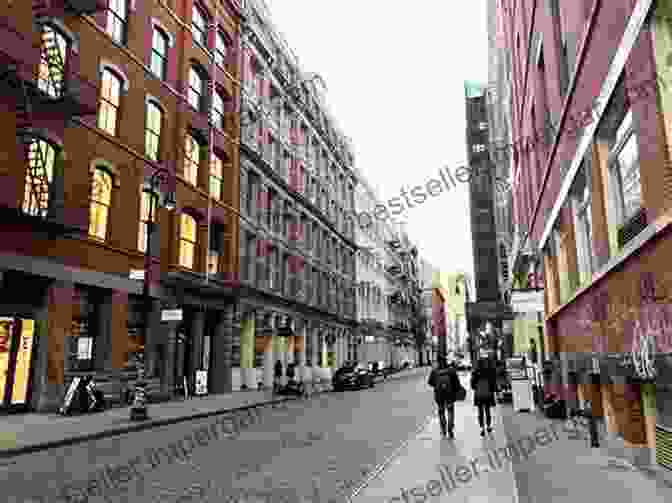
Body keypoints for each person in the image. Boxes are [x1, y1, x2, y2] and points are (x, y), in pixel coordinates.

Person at [427, 356, 461, 438]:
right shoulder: (451, 370)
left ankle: (443, 429)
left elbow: (430, 382)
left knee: (441, 412)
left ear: (438, 362)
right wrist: (455, 390)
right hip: (449, 395)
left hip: (439, 395)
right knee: (450, 411)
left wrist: (437, 385)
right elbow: (457, 384)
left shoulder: (434, 371)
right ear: (446, 361)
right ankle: (450, 428)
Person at [471, 357, 498, 436]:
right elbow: (493, 383)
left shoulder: (476, 371)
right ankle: (489, 426)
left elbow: (472, 383)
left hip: (479, 394)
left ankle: (482, 428)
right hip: (488, 393)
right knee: (487, 410)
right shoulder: (490, 371)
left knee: (480, 411)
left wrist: (476, 387)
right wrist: (493, 390)